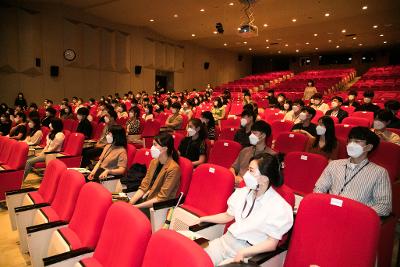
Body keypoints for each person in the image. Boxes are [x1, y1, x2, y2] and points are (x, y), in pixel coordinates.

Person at [198, 153, 293, 265]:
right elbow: (228, 215)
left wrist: (244, 252)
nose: (246, 174)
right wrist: (203, 219)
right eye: (248, 169)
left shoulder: (279, 207)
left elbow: (272, 243)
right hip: (225, 241)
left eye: (251, 171)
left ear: (264, 178)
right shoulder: (242, 192)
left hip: (247, 251)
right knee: (196, 260)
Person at [314, 126, 392, 217]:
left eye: (357, 141)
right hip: (329, 212)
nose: (351, 144)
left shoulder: (380, 173)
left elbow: (384, 206)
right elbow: (318, 189)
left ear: (369, 147)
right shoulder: (334, 165)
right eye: (350, 140)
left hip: (355, 219)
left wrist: (356, 213)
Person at [129, 133, 181, 215]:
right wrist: (131, 202)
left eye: (155, 145)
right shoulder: (154, 162)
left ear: (164, 148)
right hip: (146, 199)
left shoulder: (173, 168)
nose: (152, 148)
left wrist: (136, 207)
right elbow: (144, 186)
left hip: (157, 207)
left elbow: (162, 198)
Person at [231, 120, 276, 186]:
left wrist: (244, 182)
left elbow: (268, 181)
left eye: (254, 133)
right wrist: (234, 177)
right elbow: (233, 168)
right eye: (251, 133)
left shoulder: (271, 155)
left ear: (263, 135)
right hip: (237, 186)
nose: (251, 136)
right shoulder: (245, 150)